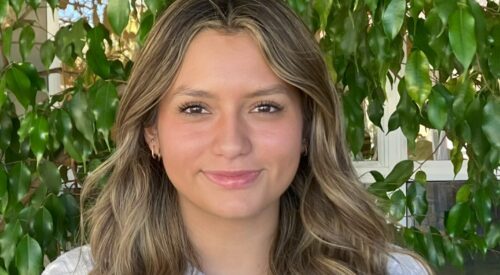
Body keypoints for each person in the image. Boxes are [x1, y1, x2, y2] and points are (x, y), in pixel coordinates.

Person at [44, 0, 432, 274]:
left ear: (307, 128)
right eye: (195, 108)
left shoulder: (391, 271)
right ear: (151, 132)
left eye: (265, 107)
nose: (231, 144)